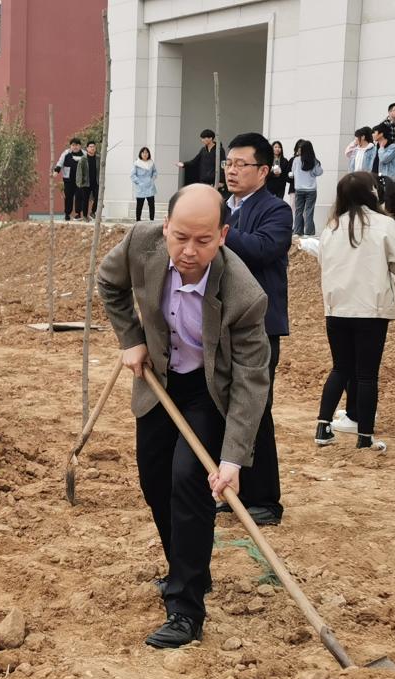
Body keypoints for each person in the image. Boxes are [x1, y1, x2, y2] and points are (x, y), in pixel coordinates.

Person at [97, 184, 271, 649]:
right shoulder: (141, 243)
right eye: (180, 237)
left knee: (187, 480)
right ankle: (188, 568)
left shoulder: (244, 295)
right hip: (159, 378)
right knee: (154, 479)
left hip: (207, 391)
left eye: (203, 240)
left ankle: (185, 609)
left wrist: (232, 461)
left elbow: (252, 380)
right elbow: (109, 283)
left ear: (223, 236)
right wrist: (131, 339)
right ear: (165, 228)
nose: (189, 251)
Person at [312, 172, 395, 453]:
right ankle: (365, 436)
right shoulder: (384, 224)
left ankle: (323, 426)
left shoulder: (332, 226)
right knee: (367, 375)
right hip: (371, 309)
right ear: (372, 193)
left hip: (337, 308)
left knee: (340, 368)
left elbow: (323, 261)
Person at [222, 133, 293, 526]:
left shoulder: (276, 210)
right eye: (228, 163)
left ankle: (265, 498)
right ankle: (231, 491)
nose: (232, 170)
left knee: (256, 410)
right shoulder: (222, 208)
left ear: (263, 171)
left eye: (241, 164)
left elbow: (263, 249)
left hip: (260, 327)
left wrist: (218, 230)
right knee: (222, 408)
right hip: (221, 325)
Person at [290, 140, 323, 235]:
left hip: (299, 189)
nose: (299, 150)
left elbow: (293, 172)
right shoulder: (314, 160)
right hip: (311, 190)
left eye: (300, 149)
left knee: (298, 211)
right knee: (309, 211)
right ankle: (309, 233)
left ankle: (297, 232)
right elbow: (319, 172)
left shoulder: (296, 160)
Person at [54, 138, 85, 221]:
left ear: (80, 146)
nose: (75, 147)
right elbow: (60, 163)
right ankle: (67, 214)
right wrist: (56, 171)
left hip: (80, 180)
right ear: (70, 146)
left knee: (79, 196)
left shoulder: (84, 154)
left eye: (77, 145)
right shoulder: (66, 153)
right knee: (68, 197)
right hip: (68, 180)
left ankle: (78, 214)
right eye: (73, 145)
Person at [75, 141, 101, 221]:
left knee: (98, 198)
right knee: (85, 200)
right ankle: (85, 216)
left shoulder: (98, 158)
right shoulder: (83, 159)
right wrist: (79, 183)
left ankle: (93, 212)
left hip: (96, 182)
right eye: (90, 146)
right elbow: (79, 172)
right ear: (87, 148)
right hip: (86, 183)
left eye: (94, 146)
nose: (92, 148)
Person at [131, 147, 157, 221]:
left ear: (148, 154)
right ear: (141, 154)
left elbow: (155, 172)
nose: (145, 154)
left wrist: (152, 179)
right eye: (143, 152)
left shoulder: (151, 163)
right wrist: (139, 182)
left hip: (150, 186)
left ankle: (151, 221)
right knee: (139, 205)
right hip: (141, 187)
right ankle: (138, 221)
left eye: (146, 152)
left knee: (151, 205)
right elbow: (132, 175)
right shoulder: (137, 163)